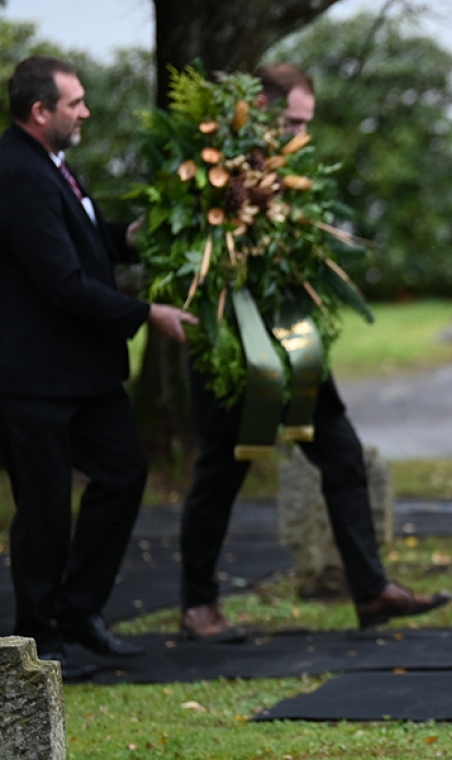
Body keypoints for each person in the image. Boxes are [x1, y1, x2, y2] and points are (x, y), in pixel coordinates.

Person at [177, 62, 451, 643]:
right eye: (294, 123)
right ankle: (197, 603)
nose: (302, 137)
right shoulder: (211, 174)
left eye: (307, 125)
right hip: (233, 347)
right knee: (220, 473)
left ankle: (371, 590)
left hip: (293, 341)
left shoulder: (292, 176)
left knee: (344, 456)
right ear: (262, 113)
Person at [0, 56, 199, 681]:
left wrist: (137, 235)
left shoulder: (53, 164)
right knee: (44, 509)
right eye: (75, 102)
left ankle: (79, 609)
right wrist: (147, 312)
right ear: (40, 112)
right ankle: (38, 638)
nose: (85, 111)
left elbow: (83, 244)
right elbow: (60, 282)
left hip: (82, 374)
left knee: (123, 472)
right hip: (32, 377)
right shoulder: (17, 173)